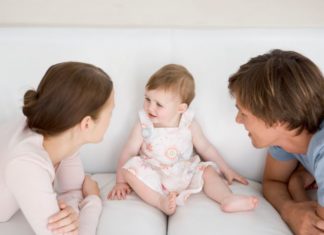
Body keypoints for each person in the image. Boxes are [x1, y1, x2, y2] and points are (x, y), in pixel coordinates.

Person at [108, 64, 258, 215]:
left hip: (185, 172)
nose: (150, 107)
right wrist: (120, 182)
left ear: (181, 109)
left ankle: (227, 198)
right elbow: (129, 151)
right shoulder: (143, 124)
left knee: (208, 170)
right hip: (154, 176)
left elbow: (206, 148)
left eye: (159, 104)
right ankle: (160, 201)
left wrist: (226, 169)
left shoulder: (189, 124)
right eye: (147, 99)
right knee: (129, 167)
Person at [0, 62, 114, 235]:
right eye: (111, 112)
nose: (111, 118)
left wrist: (72, 213)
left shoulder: (60, 134)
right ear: (87, 124)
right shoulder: (26, 164)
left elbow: (72, 191)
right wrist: (93, 200)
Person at [228, 49, 324, 235]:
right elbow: (273, 181)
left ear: (279, 119)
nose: (238, 120)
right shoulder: (289, 136)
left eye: (244, 113)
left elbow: (317, 228)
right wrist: (290, 210)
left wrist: (296, 190)